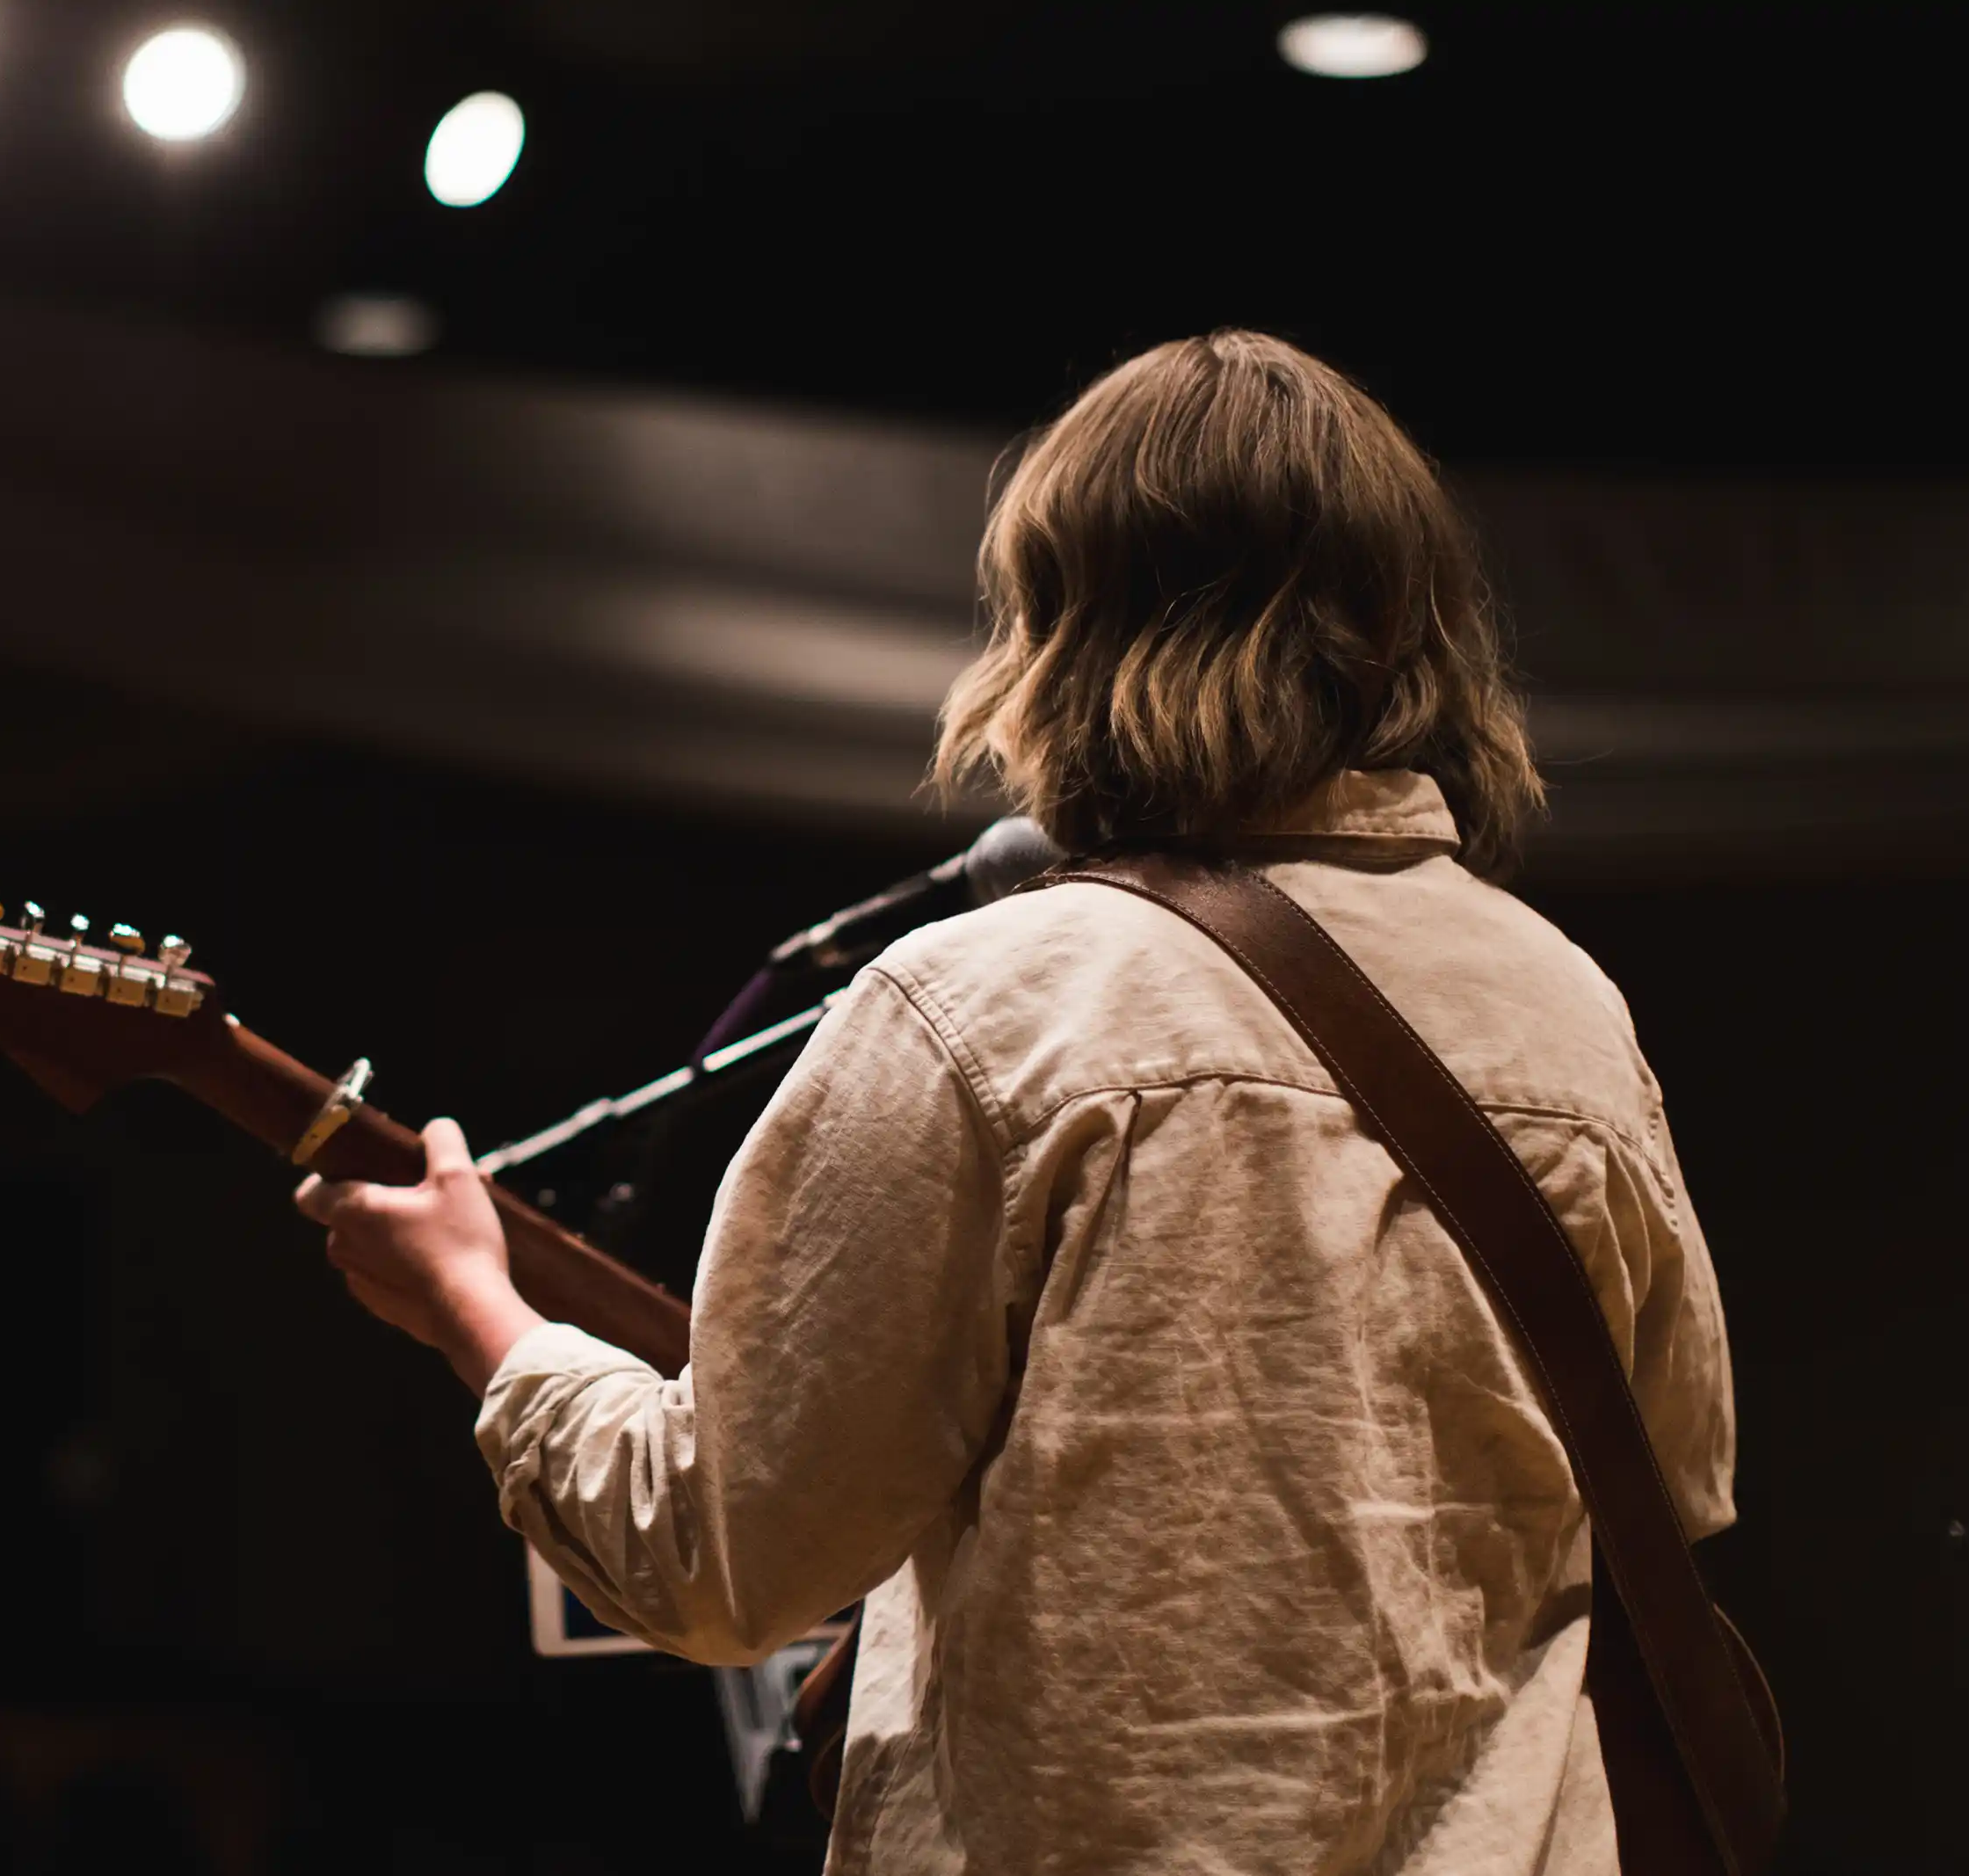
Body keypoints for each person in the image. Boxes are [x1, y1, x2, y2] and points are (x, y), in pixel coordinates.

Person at [294, 331, 1733, 1875]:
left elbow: (723, 1556)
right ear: (1418, 630)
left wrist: (475, 1308)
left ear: (1068, 625)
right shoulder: (1568, 1009)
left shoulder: (987, 1005)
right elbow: (1682, 1475)